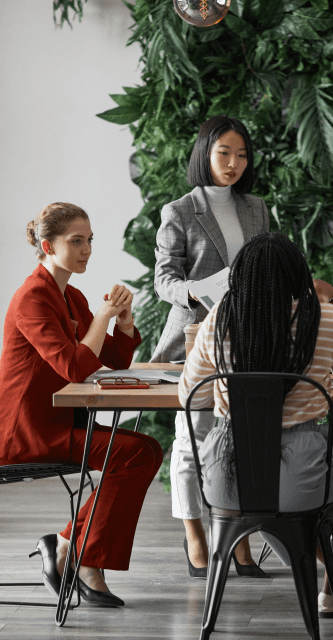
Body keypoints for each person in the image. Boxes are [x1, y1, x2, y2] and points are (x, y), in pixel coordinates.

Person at [178, 232, 333, 615]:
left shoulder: (219, 317)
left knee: (263, 502)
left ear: (238, 277)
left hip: (229, 479)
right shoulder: (324, 318)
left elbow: (189, 394)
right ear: (298, 275)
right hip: (299, 475)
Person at [0, 203, 163, 607]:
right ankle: (84, 557)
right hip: (26, 431)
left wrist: (121, 320)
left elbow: (114, 357)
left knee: (144, 451)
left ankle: (68, 543)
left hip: (58, 423)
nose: (86, 248)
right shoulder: (32, 298)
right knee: (137, 454)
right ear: (47, 245)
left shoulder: (69, 295)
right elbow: (74, 367)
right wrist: (102, 317)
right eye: (76, 241)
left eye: (89, 240)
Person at [150, 116, 269, 578]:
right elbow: (164, 281)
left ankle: (236, 540)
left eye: (242, 155)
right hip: (196, 339)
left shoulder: (256, 207)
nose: (234, 163)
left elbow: (265, 266)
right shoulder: (179, 210)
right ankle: (195, 537)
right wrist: (199, 289)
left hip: (247, 339)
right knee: (192, 442)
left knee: (239, 442)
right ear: (205, 152)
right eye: (225, 153)